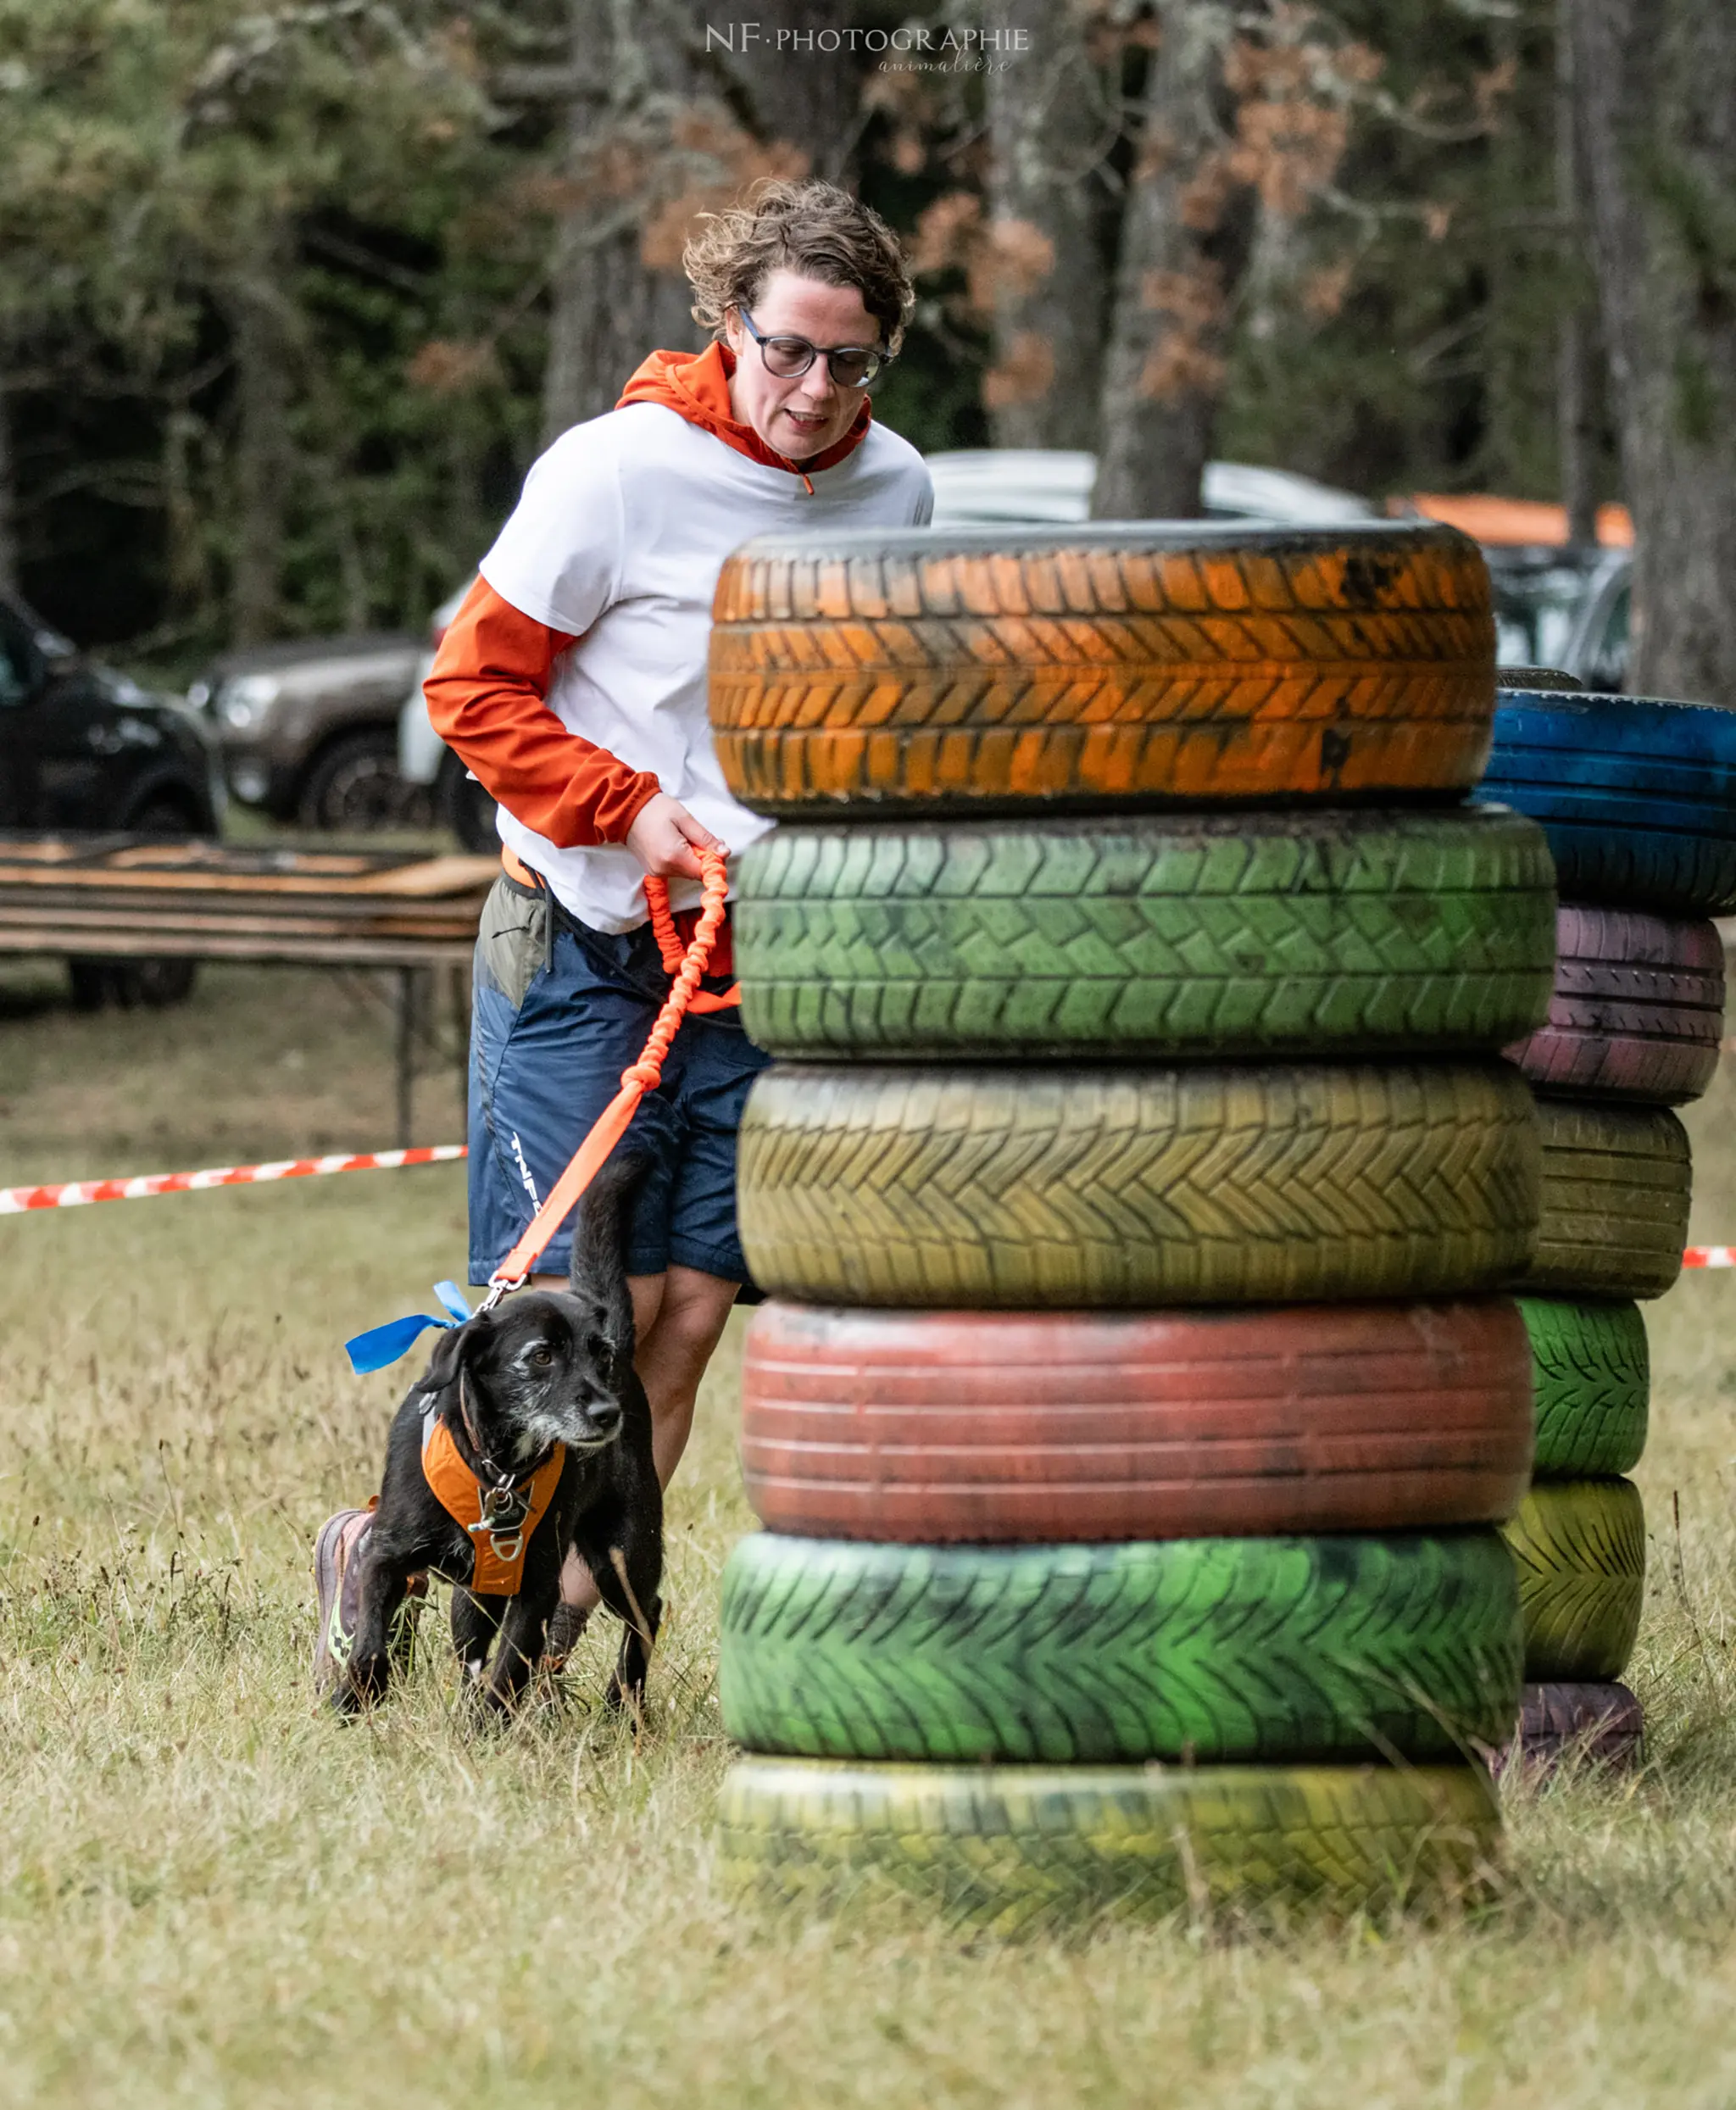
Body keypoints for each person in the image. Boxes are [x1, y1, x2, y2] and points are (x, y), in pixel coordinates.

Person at [313, 178, 932, 1677]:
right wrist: (629, 807)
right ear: (728, 322)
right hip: (584, 937)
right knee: (575, 1306)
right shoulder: (615, 471)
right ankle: (380, 1543)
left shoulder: (895, 489)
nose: (812, 392)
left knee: (692, 1312)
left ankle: (541, 1635)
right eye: (787, 350)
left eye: (850, 363)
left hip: (753, 962)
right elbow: (468, 692)